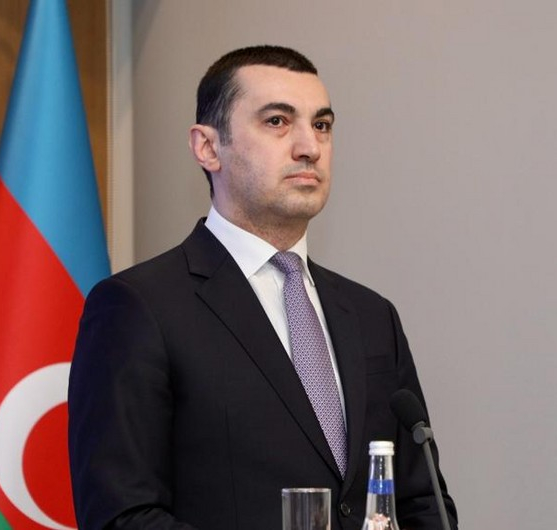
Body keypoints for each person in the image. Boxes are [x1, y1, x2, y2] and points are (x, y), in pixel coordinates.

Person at [68, 45, 457, 530]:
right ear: (208, 148)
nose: (309, 147)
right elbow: (121, 517)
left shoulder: (372, 316)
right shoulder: (139, 307)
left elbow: (423, 502)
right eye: (277, 121)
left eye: (322, 125)